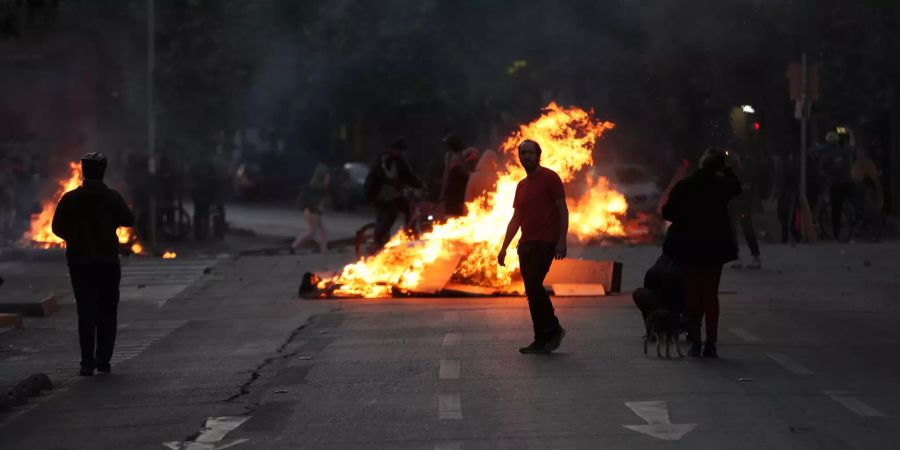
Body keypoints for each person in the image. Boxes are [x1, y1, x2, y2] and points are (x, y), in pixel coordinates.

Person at [51, 153, 135, 376]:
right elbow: (129, 220)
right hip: (107, 263)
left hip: (79, 264)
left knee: (85, 311)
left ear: (83, 171)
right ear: (103, 172)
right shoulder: (112, 198)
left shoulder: (69, 199)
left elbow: (57, 228)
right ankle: (103, 360)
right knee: (108, 311)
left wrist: (75, 238)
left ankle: (87, 362)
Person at [662, 147, 741, 358]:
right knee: (710, 295)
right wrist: (728, 170)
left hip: (689, 249)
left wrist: (685, 218)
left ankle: (696, 342)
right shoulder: (721, 186)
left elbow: (667, 212)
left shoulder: (685, 186)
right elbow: (737, 188)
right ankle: (711, 344)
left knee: (692, 296)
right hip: (714, 249)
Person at [497, 140, 568, 354]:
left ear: (538, 155)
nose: (526, 156)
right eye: (523, 153)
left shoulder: (550, 178)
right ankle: (541, 338)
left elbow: (562, 210)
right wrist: (504, 247)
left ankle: (553, 328)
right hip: (525, 245)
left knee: (535, 286)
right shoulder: (521, 185)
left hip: (545, 244)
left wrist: (562, 241)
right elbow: (516, 218)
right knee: (531, 291)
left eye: (530, 153)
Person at [364, 137, 423, 247]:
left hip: (391, 193)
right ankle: (378, 239)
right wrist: (395, 183)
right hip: (377, 192)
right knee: (392, 213)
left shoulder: (401, 161)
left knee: (408, 209)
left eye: (402, 151)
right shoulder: (384, 158)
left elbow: (409, 175)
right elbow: (383, 174)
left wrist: (420, 185)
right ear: (392, 149)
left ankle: (408, 235)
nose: (400, 153)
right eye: (398, 151)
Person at [726, 149, 761, 268]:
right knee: (733, 229)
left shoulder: (745, 168)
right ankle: (738, 257)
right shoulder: (732, 168)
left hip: (742, 202)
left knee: (746, 228)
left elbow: (749, 186)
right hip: (734, 203)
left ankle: (755, 256)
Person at [819, 131, 855, 239]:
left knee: (836, 209)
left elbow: (821, 170)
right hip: (849, 184)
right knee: (854, 201)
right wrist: (850, 132)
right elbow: (853, 145)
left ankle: (836, 234)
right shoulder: (846, 151)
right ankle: (858, 218)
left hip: (836, 185)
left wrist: (826, 176)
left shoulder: (827, 155)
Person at [292, 163, 330, 252]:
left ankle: (324, 249)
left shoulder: (320, 186)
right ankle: (293, 246)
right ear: (322, 177)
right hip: (312, 212)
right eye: (327, 177)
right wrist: (317, 208)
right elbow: (313, 201)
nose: (328, 179)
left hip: (314, 211)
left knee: (321, 231)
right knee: (311, 232)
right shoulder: (316, 187)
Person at [440, 133, 471, 217]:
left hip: (455, 192)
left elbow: (446, 176)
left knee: (454, 214)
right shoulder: (454, 157)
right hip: (457, 192)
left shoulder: (451, 157)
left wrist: (443, 192)